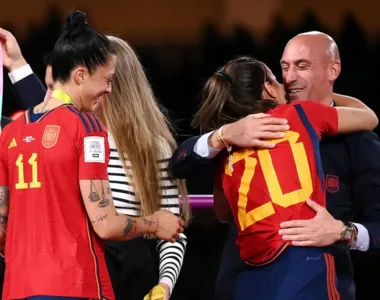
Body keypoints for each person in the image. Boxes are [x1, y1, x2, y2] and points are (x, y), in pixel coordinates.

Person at [170, 31, 380, 300]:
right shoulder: (233, 135)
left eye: (302, 66)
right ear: (269, 86)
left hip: (312, 279)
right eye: (283, 67)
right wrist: (221, 135)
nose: (289, 77)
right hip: (249, 281)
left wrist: (344, 231)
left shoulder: (358, 142)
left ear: (333, 70)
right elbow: (180, 161)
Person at [0, 11, 184, 300]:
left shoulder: (147, 146)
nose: (50, 95)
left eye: (111, 80)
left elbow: (172, 229)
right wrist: (17, 65)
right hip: (76, 274)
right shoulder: (79, 128)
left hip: (108, 276)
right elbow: (51, 122)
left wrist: (165, 284)